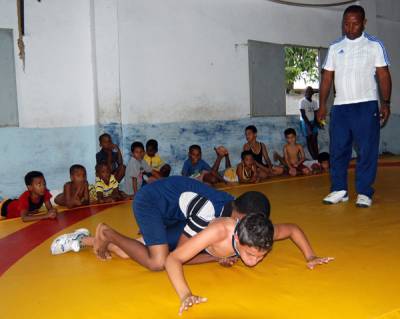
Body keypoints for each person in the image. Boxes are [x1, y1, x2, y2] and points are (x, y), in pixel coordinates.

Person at [50, 176, 270, 269]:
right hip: (150, 202)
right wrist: (216, 257)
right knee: (157, 261)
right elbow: (177, 258)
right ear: (239, 218)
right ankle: (106, 233)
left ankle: (81, 239)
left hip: (176, 214)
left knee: (130, 251)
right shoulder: (209, 212)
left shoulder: (231, 210)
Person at [165, 213, 334, 315]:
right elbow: (173, 259)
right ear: (237, 239)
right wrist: (186, 295)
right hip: (189, 230)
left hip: (210, 249)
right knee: (158, 259)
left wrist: (311, 256)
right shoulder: (220, 232)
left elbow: (292, 229)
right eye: (250, 254)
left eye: (261, 257)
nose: (254, 262)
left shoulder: (263, 234)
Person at [317, 5, 392, 208]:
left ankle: (365, 191)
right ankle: (339, 189)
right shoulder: (335, 47)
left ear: (364, 23)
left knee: (367, 151)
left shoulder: (374, 45)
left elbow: (383, 75)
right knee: (338, 150)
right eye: (346, 24)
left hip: (366, 106)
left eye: (355, 24)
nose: (349, 28)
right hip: (341, 107)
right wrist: (322, 105)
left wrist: (386, 102)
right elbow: (326, 78)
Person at [299, 86, 320, 159]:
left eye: (310, 91)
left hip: (313, 122)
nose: (308, 93)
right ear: (305, 93)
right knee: (309, 139)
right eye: (307, 91)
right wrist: (308, 125)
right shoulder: (302, 101)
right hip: (305, 122)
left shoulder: (314, 102)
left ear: (312, 93)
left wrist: (317, 123)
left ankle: (317, 157)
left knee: (315, 139)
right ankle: (314, 157)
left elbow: (316, 113)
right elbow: (303, 115)